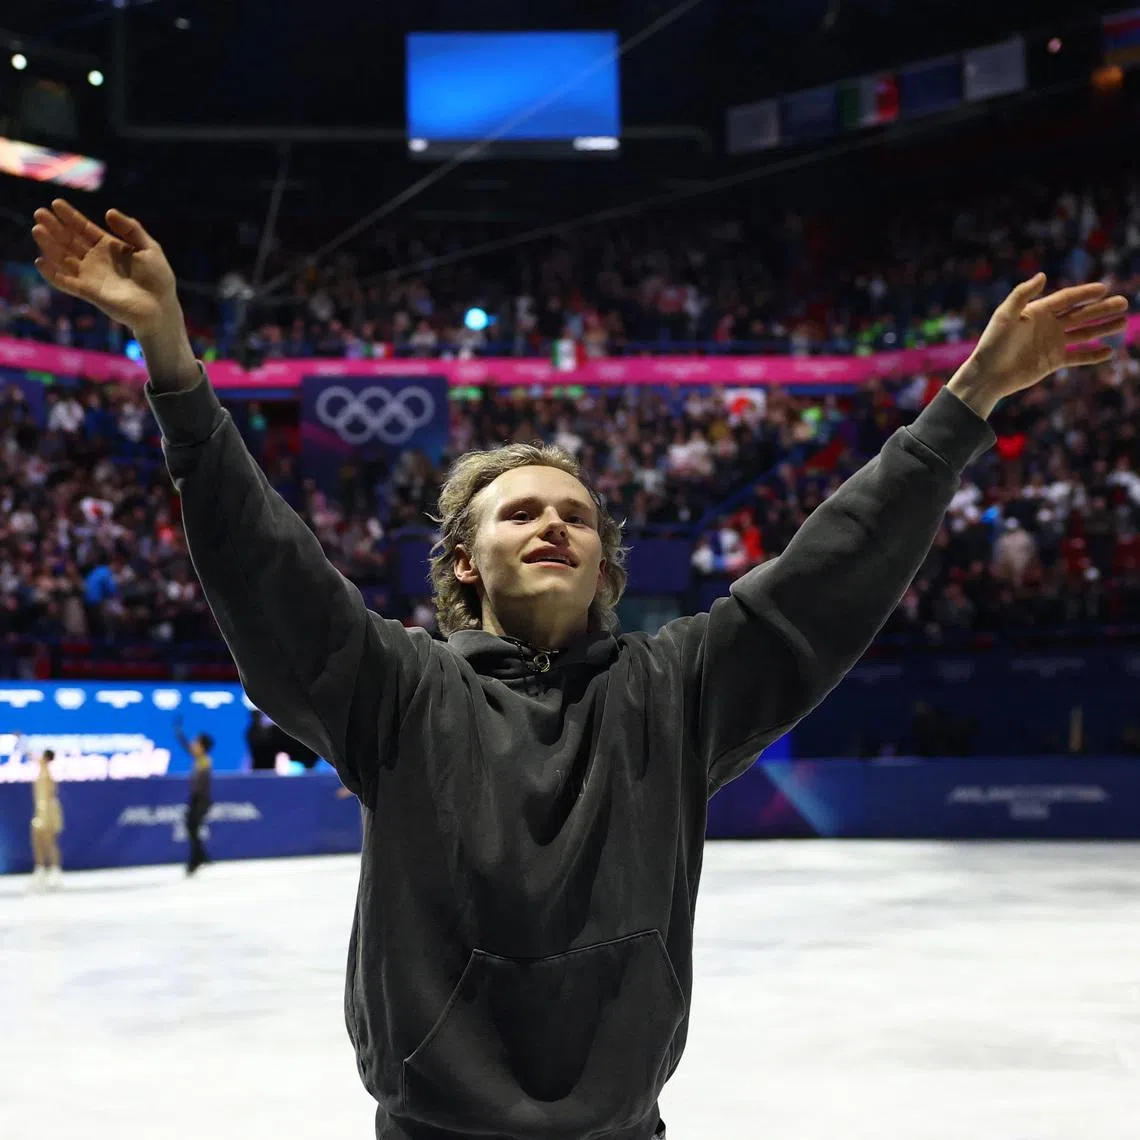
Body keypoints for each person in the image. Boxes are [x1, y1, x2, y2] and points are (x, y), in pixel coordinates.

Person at [31, 198, 1128, 1140]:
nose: (554, 526)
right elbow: (262, 562)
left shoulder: (676, 691)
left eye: (577, 515)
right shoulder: (397, 692)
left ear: (606, 557)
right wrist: (172, 359)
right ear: (464, 556)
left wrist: (968, 399)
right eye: (521, 512)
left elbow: (826, 575)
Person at [174, 716, 213, 875]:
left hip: (200, 801)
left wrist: (200, 803)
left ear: (202, 747)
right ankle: (200, 856)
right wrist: (179, 732)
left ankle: (198, 858)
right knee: (192, 829)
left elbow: (202, 785)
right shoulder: (200, 758)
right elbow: (187, 747)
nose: (194, 745)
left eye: (197, 742)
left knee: (193, 828)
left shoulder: (204, 761)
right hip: (197, 800)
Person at [28, 743, 64, 889]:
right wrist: (21, 741)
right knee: (37, 840)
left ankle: (55, 871)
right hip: (40, 811)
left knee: (50, 842)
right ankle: (40, 869)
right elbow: (30, 754)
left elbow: (50, 795)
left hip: (48, 811)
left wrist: (48, 814)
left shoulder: (48, 772)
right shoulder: (42, 769)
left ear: (46, 758)